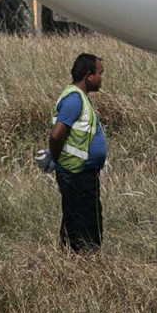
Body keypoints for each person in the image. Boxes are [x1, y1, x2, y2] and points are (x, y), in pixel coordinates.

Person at [34, 53, 107, 252]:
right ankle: (81, 262)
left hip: (82, 172)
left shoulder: (81, 97)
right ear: (88, 75)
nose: (102, 78)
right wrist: (56, 159)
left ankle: (76, 259)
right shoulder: (74, 100)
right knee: (82, 223)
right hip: (75, 173)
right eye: (100, 73)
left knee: (81, 219)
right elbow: (57, 135)